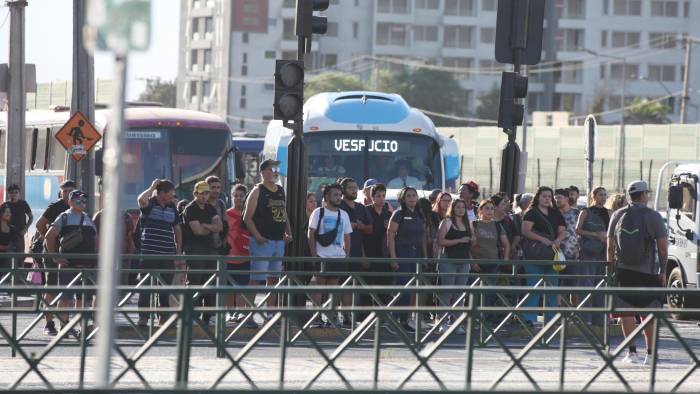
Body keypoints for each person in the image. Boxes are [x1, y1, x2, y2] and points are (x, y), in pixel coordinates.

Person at [607, 181, 667, 365]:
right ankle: (650, 355)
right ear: (643, 195)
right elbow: (663, 249)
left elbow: (609, 247)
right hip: (648, 271)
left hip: (623, 271)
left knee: (627, 313)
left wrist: (611, 270)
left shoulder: (618, 214)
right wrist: (663, 271)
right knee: (649, 313)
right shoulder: (653, 216)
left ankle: (631, 354)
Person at [243, 159, 292, 321]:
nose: (275, 172)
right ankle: (248, 315)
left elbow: (283, 213)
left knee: (274, 279)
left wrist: (288, 232)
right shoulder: (257, 190)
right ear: (263, 172)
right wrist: (257, 236)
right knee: (257, 279)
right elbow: (247, 217)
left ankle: (271, 314)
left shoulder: (280, 190)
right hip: (262, 242)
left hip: (278, 241)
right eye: (271, 169)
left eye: (276, 169)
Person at [45, 190, 98, 331]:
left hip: (87, 265)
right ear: (70, 202)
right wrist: (54, 256)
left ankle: (82, 327)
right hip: (69, 264)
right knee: (65, 297)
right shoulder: (64, 217)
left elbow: (95, 240)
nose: (82, 203)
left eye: (84, 201)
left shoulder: (88, 218)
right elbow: (49, 236)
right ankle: (64, 327)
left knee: (83, 298)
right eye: (78, 201)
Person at [136, 179, 183, 327]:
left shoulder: (171, 207)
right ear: (161, 193)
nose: (172, 197)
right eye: (170, 194)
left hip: (167, 253)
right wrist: (152, 186)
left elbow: (177, 229)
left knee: (165, 288)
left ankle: (163, 319)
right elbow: (140, 199)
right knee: (146, 288)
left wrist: (178, 251)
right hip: (149, 253)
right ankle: (143, 318)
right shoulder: (150, 204)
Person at [308, 183, 352, 328]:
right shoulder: (318, 212)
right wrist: (314, 254)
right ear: (327, 196)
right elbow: (311, 234)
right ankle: (316, 316)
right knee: (319, 287)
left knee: (334, 288)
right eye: (335, 195)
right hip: (321, 255)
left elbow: (347, 237)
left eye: (340, 195)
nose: (339, 198)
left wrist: (346, 254)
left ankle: (332, 316)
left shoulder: (344, 214)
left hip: (338, 257)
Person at [521, 186, 565, 326]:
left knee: (552, 287)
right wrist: (541, 239)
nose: (547, 199)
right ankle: (528, 317)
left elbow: (562, 231)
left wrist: (558, 240)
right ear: (538, 197)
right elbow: (526, 231)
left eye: (549, 196)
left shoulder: (555, 213)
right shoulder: (531, 213)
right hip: (534, 254)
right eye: (544, 196)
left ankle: (551, 317)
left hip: (552, 254)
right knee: (534, 286)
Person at [36, 179, 76, 336]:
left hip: (68, 253)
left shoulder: (76, 207)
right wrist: (49, 238)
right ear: (60, 192)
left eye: (70, 191)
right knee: (51, 287)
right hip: (52, 252)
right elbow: (40, 224)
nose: (67, 194)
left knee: (66, 289)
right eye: (65, 191)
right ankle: (49, 323)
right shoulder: (56, 207)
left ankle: (64, 324)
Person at [183, 181, 223, 325]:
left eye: (207, 193)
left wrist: (205, 225)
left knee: (210, 283)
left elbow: (219, 227)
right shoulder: (190, 208)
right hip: (194, 250)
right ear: (195, 193)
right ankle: (192, 314)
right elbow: (197, 231)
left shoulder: (211, 208)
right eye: (202, 193)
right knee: (194, 281)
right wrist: (210, 227)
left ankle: (209, 316)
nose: (205, 196)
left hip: (210, 249)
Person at [387, 187, 427, 332]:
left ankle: (405, 319)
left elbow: (423, 236)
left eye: (414, 196)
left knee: (412, 288)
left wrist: (425, 255)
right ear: (403, 199)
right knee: (402, 287)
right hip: (402, 253)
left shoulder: (419, 214)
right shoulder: (398, 214)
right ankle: (394, 319)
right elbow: (390, 234)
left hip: (416, 255)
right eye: (408, 196)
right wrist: (393, 257)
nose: (412, 198)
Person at [436, 198, 474, 334]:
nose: (460, 210)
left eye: (463, 207)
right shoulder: (446, 222)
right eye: (457, 207)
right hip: (448, 260)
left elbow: (473, 242)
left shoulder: (468, 223)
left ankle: (457, 323)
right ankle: (442, 322)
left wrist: (472, 240)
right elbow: (441, 241)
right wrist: (459, 240)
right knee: (447, 292)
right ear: (453, 208)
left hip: (464, 261)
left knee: (460, 293)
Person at [338, 177, 373, 325]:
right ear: (343, 190)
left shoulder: (361, 208)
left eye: (355, 187)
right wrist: (354, 225)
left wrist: (360, 226)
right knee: (339, 284)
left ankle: (348, 315)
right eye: (350, 187)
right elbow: (339, 225)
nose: (354, 190)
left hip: (358, 250)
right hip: (339, 251)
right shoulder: (338, 205)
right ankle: (338, 314)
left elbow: (370, 229)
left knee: (352, 285)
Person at [576, 186, 610, 326]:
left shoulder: (609, 212)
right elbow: (578, 230)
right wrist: (595, 235)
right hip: (588, 252)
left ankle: (599, 319)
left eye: (605, 195)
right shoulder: (586, 211)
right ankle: (585, 319)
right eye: (600, 194)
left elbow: (612, 231)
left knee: (601, 286)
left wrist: (606, 238)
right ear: (593, 196)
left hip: (603, 253)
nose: (603, 197)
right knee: (587, 284)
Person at [225, 184, 254, 327]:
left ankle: (241, 315)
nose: (238, 198)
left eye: (241, 196)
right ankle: (231, 314)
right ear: (231, 197)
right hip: (229, 256)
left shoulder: (249, 215)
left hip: (245, 256)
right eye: (235, 195)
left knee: (242, 287)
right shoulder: (226, 214)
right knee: (229, 288)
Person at [363, 183, 393, 303]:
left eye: (383, 196)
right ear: (372, 197)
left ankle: (382, 317)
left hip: (383, 255)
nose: (381, 199)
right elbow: (361, 234)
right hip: (368, 251)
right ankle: (364, 318)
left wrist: (388, 229)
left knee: (384, 287)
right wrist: (363, 255)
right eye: (378, 196)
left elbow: (392, 236)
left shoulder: (388, 214)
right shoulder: (366, 211)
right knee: (366, 286)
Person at [554, 188, 580, 305]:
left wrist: (579, 249)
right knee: (557, 285)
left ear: (566, 198)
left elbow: (581, 232)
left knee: (574, 287)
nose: (556, 200)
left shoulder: (577, 213)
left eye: (559, 197)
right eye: (555, 198)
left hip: (573, 254)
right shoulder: (553, 214)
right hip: (556, 254)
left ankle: (574, 314)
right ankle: (557, 313)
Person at [5, 184, 32, 253]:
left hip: (20, 233)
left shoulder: (23, 204)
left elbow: (31, 217)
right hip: (7, 234)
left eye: (16, 192)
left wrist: (26, 228)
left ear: (19, 194)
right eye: (12, 192)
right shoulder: (5, 205)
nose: (14, 194)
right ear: (8, 194)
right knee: (7, 257)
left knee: (20, 257)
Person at [206, 176, 230, 256]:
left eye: (218, 187)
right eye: (213, 187)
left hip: (218, 247)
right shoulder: (202, 203)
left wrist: (224, 244)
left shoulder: (221, 204)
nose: (216, 190)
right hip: (204, 247)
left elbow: (225, 226)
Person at [0, 204, 19, 269]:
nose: (9, 214)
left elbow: (14, 245)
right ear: (1, 213)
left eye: (9, 212)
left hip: (7, 260)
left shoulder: (13, 229)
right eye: (6, 212)